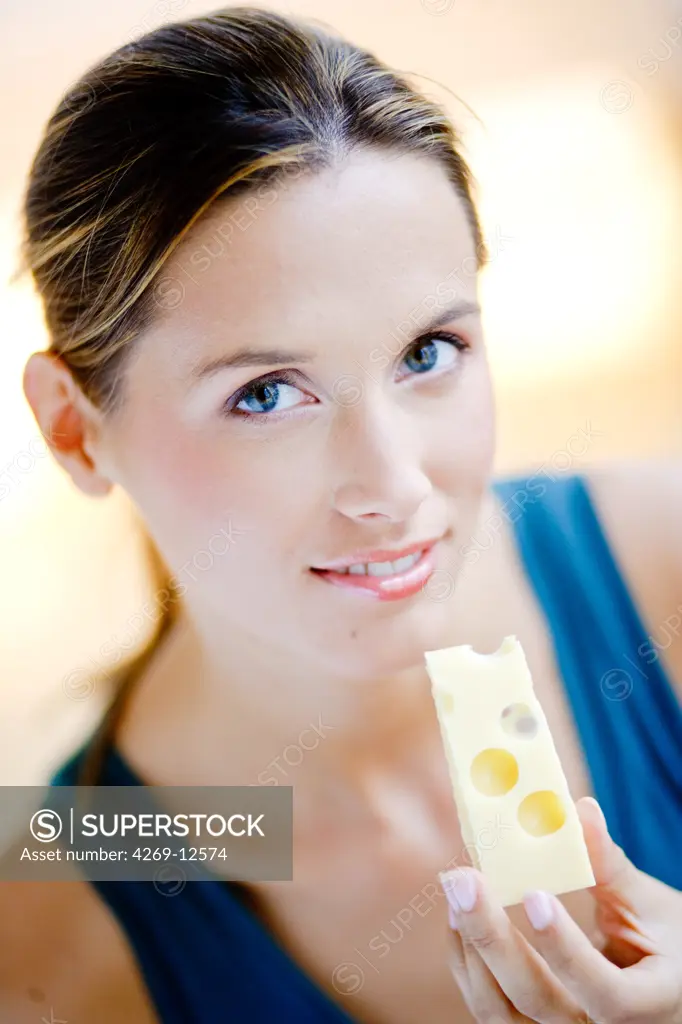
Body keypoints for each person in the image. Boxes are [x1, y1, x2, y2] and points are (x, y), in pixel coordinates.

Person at [2, 6, 681, 1023]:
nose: (396, 484)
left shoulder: (663, 566)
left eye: (426, 354)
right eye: (268, 394)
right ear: (73, 429)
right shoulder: (57, 898)